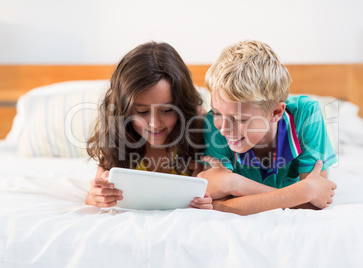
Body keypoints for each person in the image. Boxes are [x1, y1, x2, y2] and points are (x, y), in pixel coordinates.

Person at [198, 40, 338, 215]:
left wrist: (233, 185)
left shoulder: (307, 114)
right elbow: (218, 202)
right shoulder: (212, 124)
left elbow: (315, 203)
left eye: (240, 119)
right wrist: (303, 191)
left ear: (276, 112)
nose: (224, 129)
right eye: (217, 113)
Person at [86, 42, 212, 209]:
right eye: (142, 112)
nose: (154, 124)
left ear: (183, 106)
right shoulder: (117, 136)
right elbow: (93, 194)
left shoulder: (199, 128)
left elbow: (213, 193)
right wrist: (96, 197)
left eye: (167, 110)